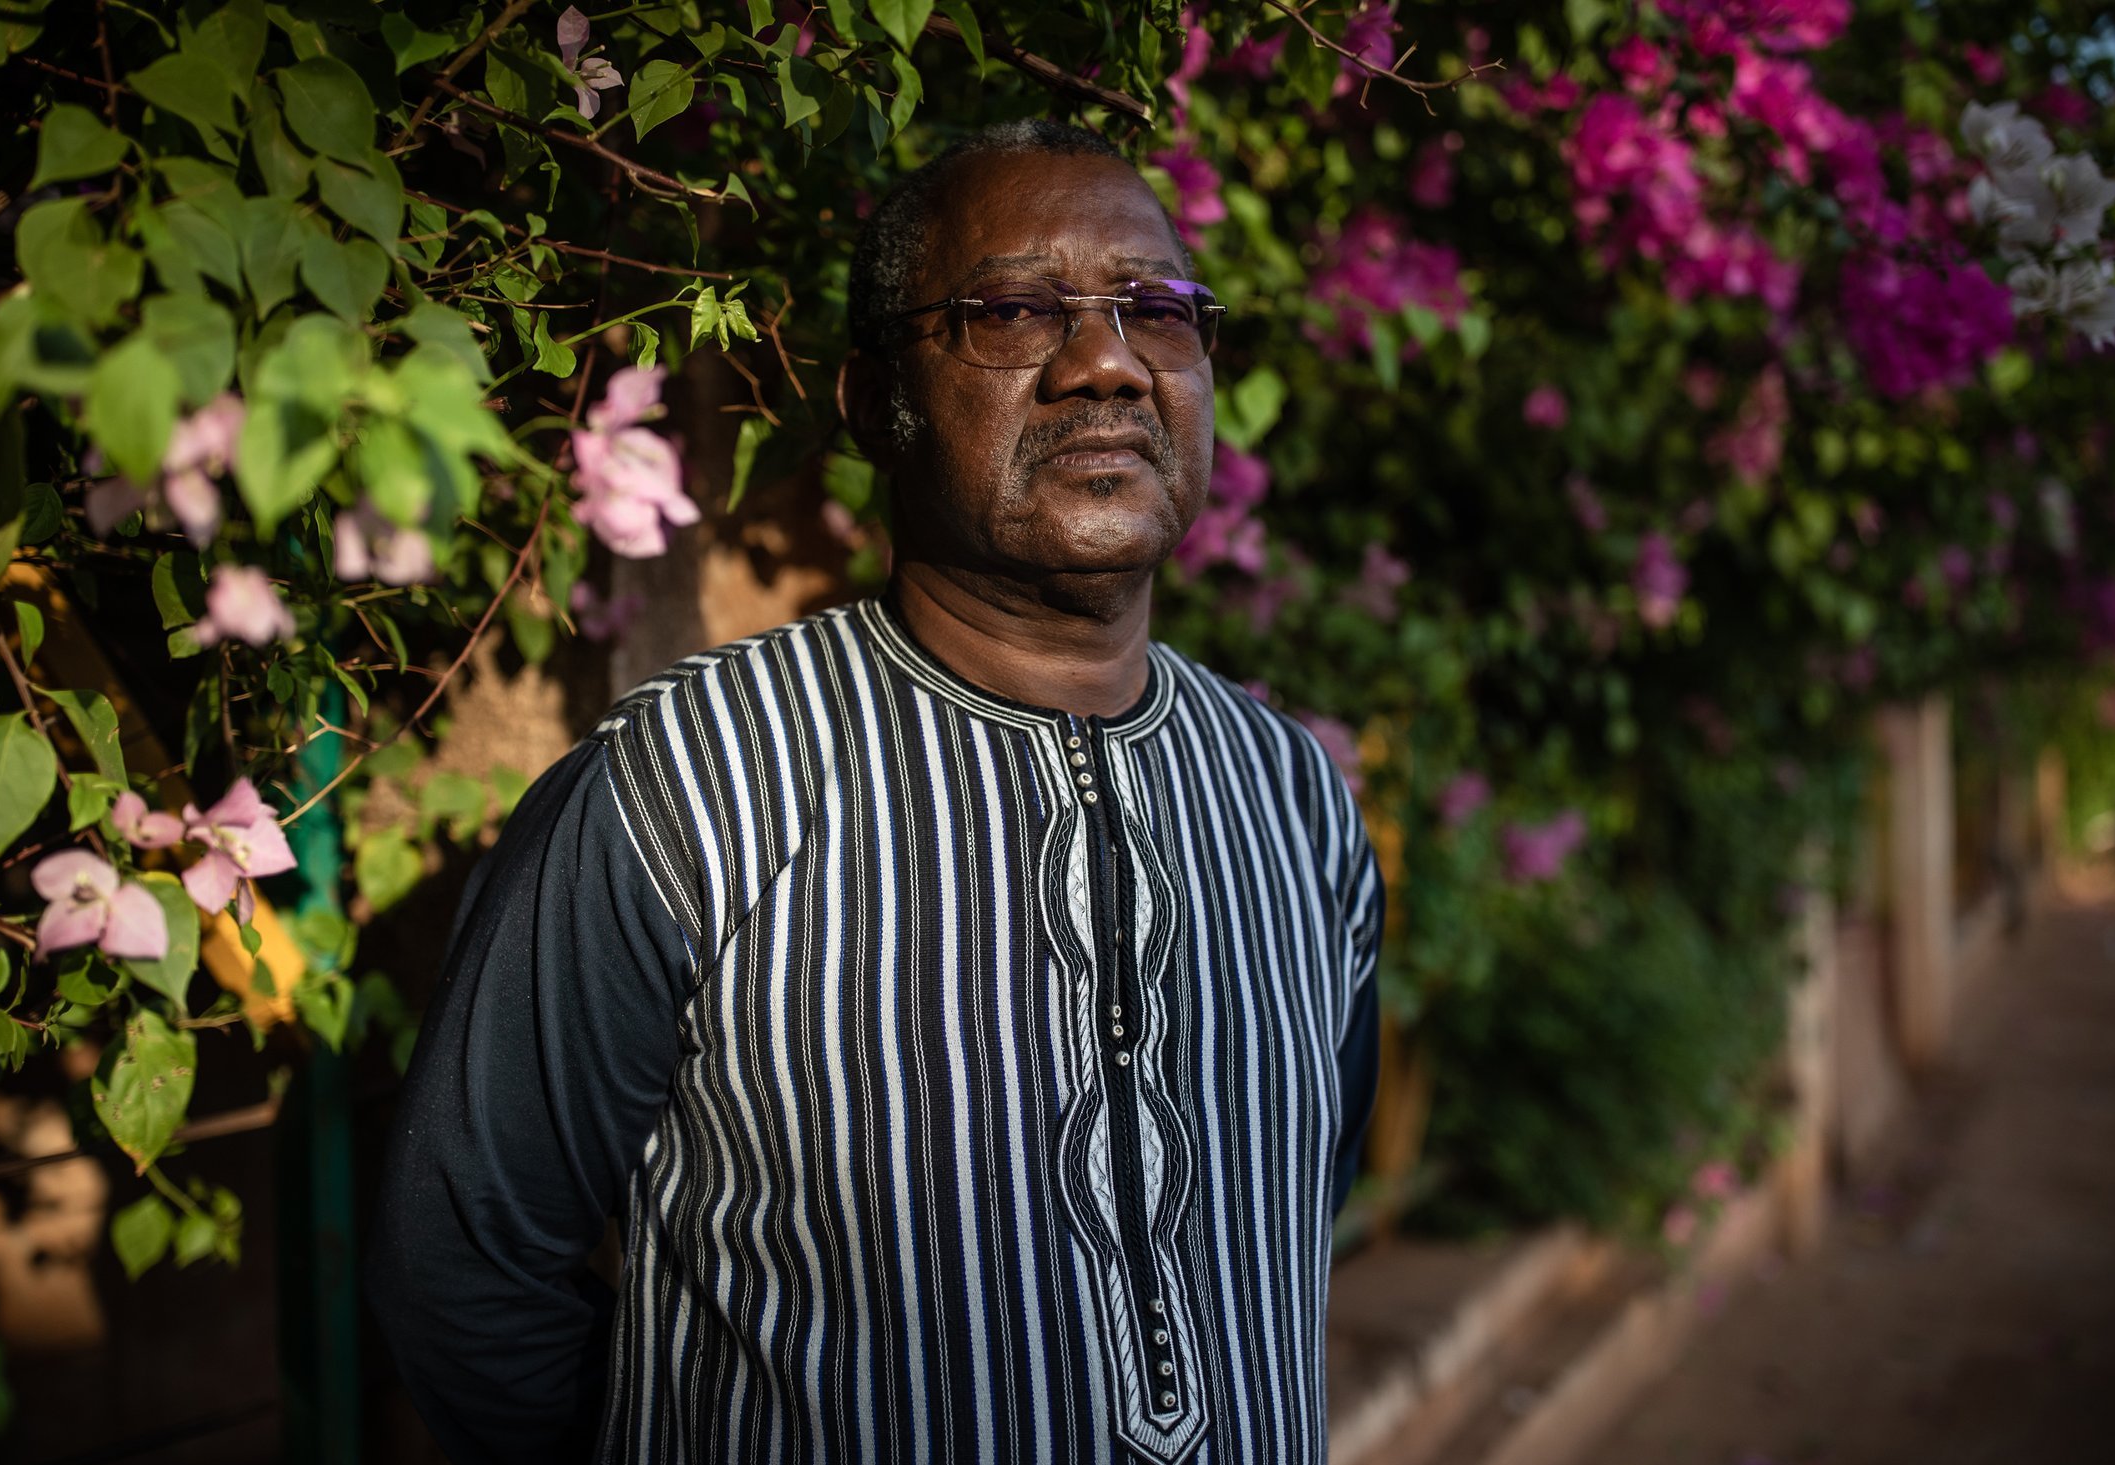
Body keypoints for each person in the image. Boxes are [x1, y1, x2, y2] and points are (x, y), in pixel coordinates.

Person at [367, 119, 1384, 1465]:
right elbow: (464, 1262)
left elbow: (1292, 1209)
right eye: (1013, 311)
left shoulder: (1294, 803)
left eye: (1155, 310)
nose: (1106, 363)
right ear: (870, 400)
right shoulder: (691, 786)